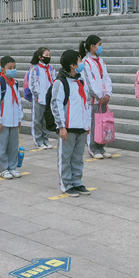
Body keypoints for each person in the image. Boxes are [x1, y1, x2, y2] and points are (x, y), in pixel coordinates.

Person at [51, 49, 92, 197]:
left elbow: (86, 104)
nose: (82, 63)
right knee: (65, 157)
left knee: (78, 158)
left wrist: (87, 124)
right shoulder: (60, 83)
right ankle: (66, 184)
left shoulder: (81, 81)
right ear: (72, 65)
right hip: (68, 127)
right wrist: (61, 126)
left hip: (81, 127)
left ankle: (77, 182)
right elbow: (56, 105)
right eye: (80, 61)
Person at [0, 55, 24, 179]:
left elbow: (18, 101)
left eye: (14, 67)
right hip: (3, 121)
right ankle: (3, 168)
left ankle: (12, 167)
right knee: (2, 146)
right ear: (3, 70)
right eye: (10, 68)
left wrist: (19, 117)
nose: (13, 70)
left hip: (14, 120)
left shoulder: (15, 83)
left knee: (13, 146)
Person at [80, 35, 113, 159]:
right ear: (92, 46)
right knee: (93, 124)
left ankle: (101, 146)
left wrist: (107, 93)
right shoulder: (85, 62)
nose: (101, 47)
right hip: (93, 99)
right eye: (99, 44)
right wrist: (98, 95)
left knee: (102, 124)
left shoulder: (101, 61)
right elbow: (89, 81)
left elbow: (106, 77)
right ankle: (93, 148)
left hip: (103, 99)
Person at [28, 47, 56, 150]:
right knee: (37, 121)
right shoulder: (35, 69)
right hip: (39, 99)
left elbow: (54, 81)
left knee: (46, 121)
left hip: (48, 99)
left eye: (49, 55)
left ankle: (45, 139)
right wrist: (36, 95)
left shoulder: (51, 69)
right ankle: (38, 140)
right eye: (46, 55)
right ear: (40, 57)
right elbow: (32, 84)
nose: (48, 57)